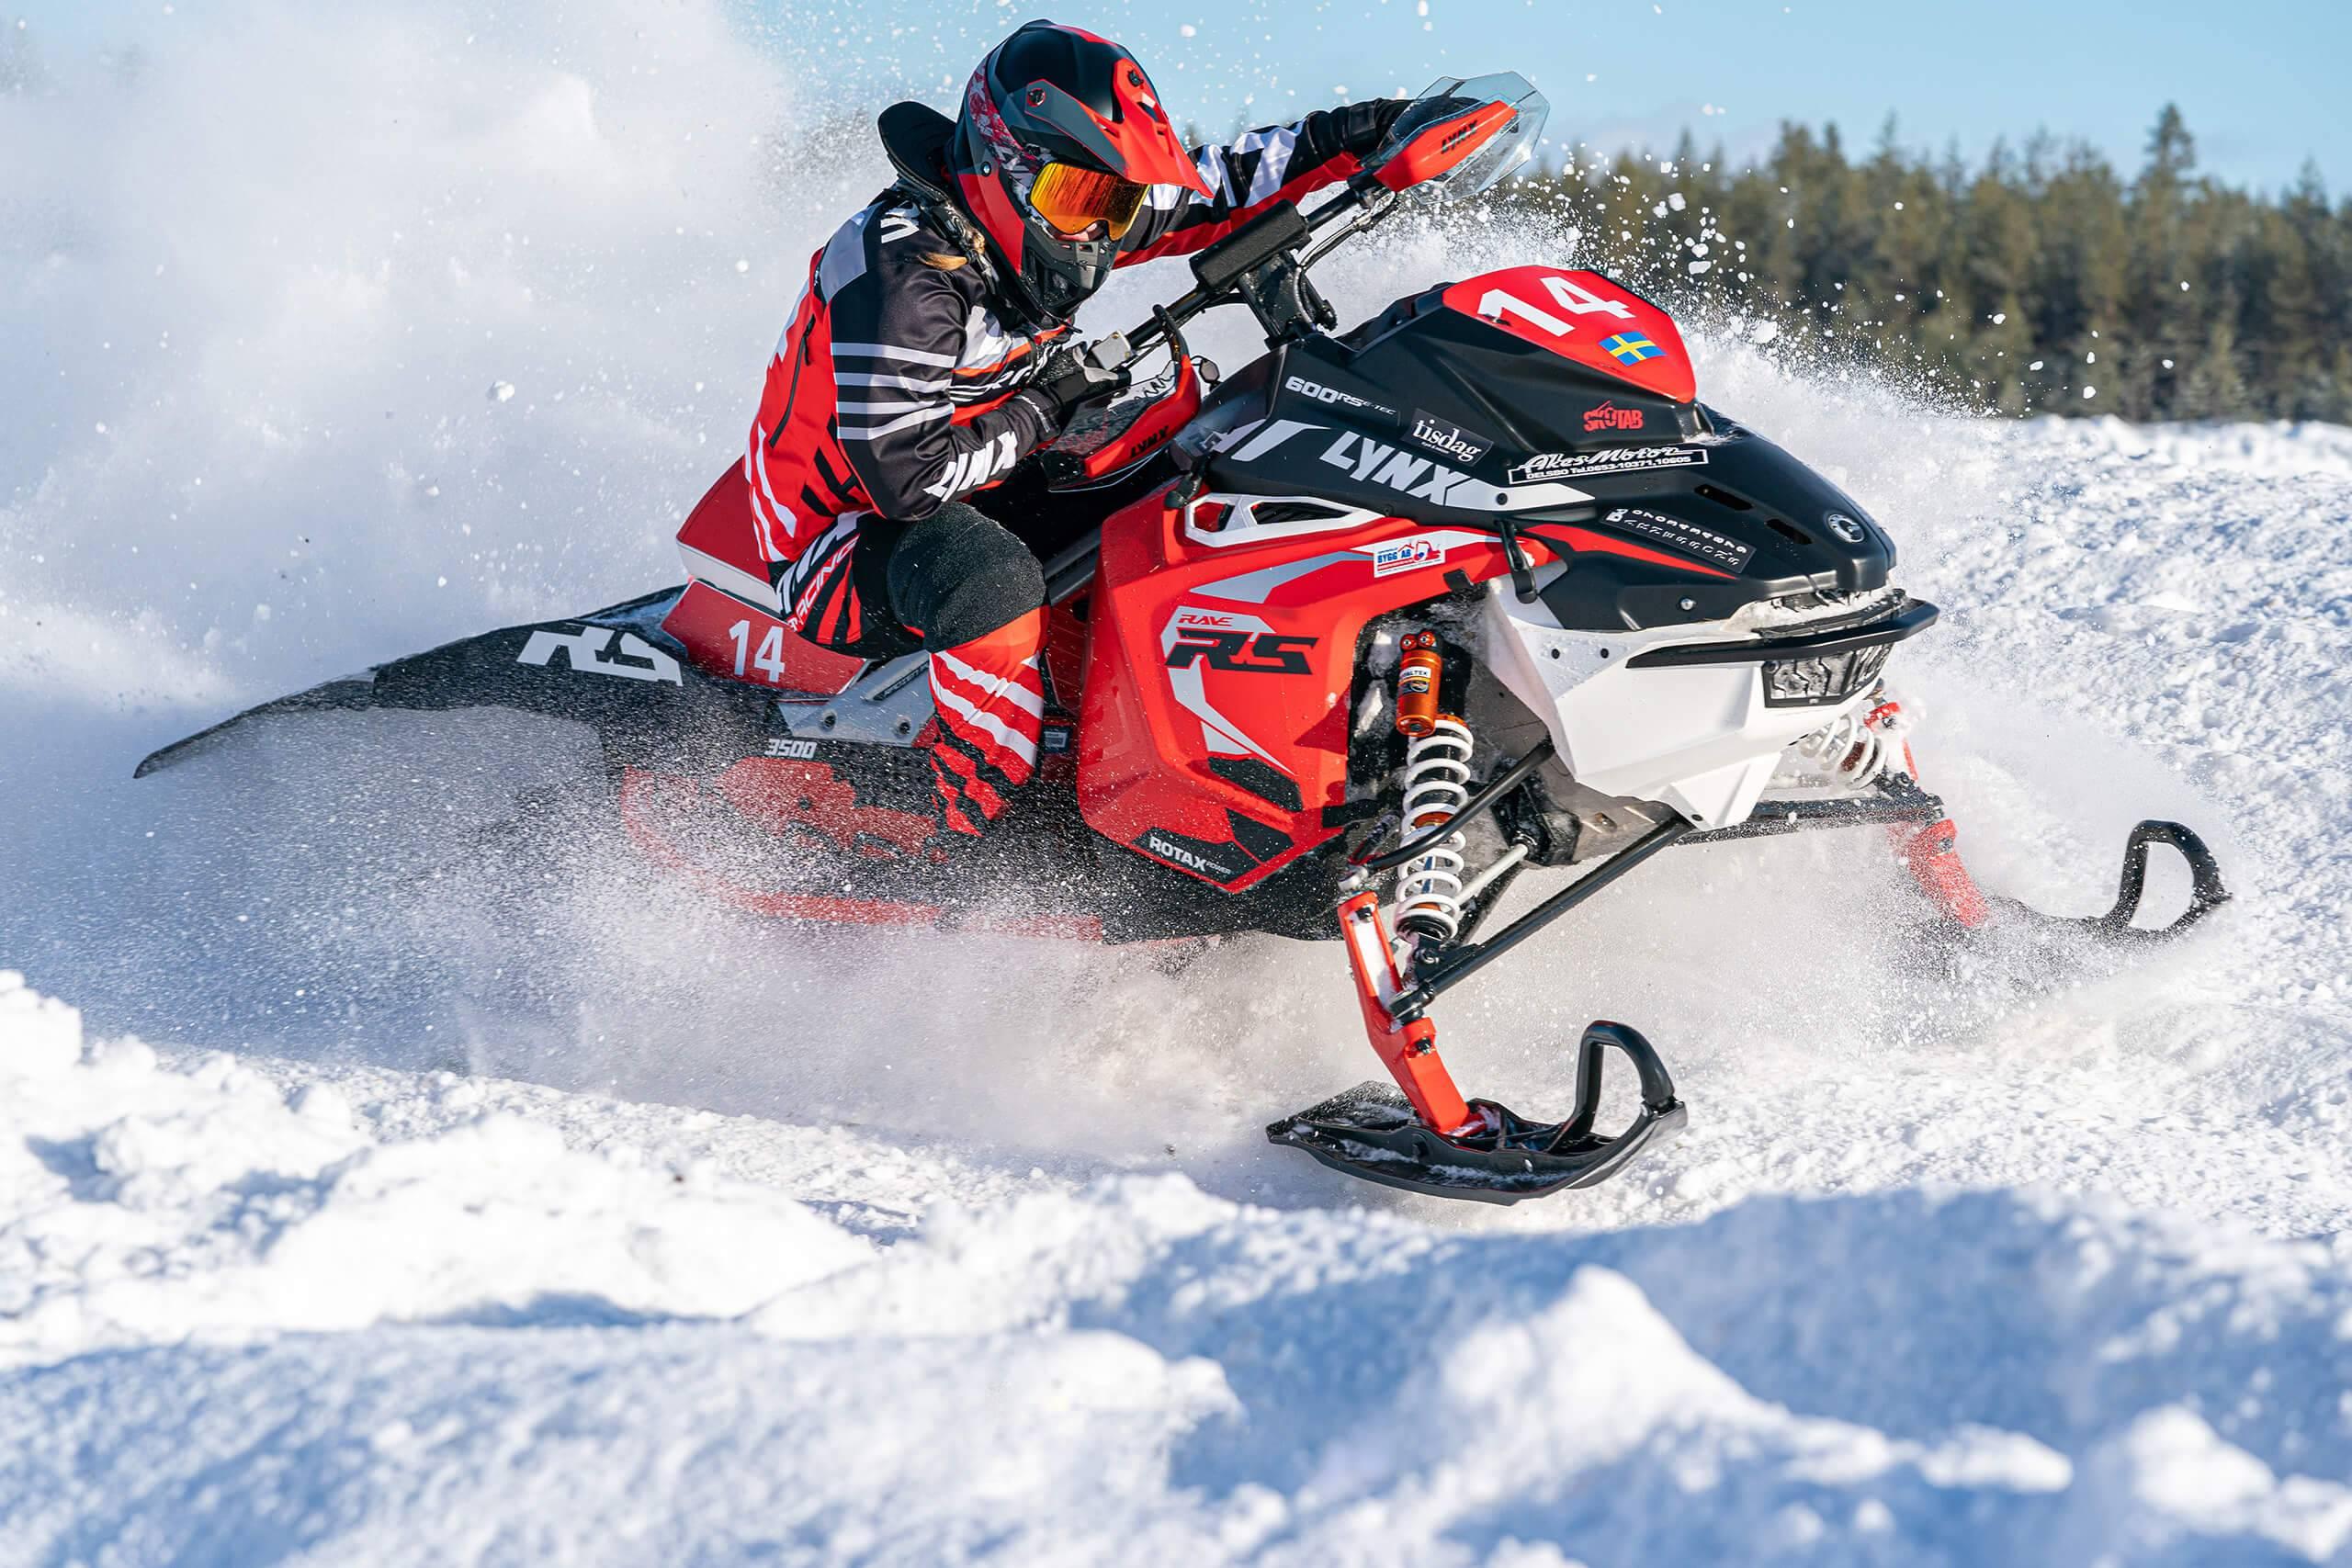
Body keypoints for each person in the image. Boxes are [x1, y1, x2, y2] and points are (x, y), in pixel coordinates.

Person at [741, 18, 1407, 842]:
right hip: (837, 536)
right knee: (991, 584)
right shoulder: (904, 279)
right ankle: (973, 830)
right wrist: (1044, 408)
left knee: (1190, 454)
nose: (1098, 230)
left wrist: (1369, 132)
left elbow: (1220, 185)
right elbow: (905, 480)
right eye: (1077, 200)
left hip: (982, 470)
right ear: (998, 168)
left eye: (1114, 202)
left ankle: (1196, 744)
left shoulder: (1052, 212)